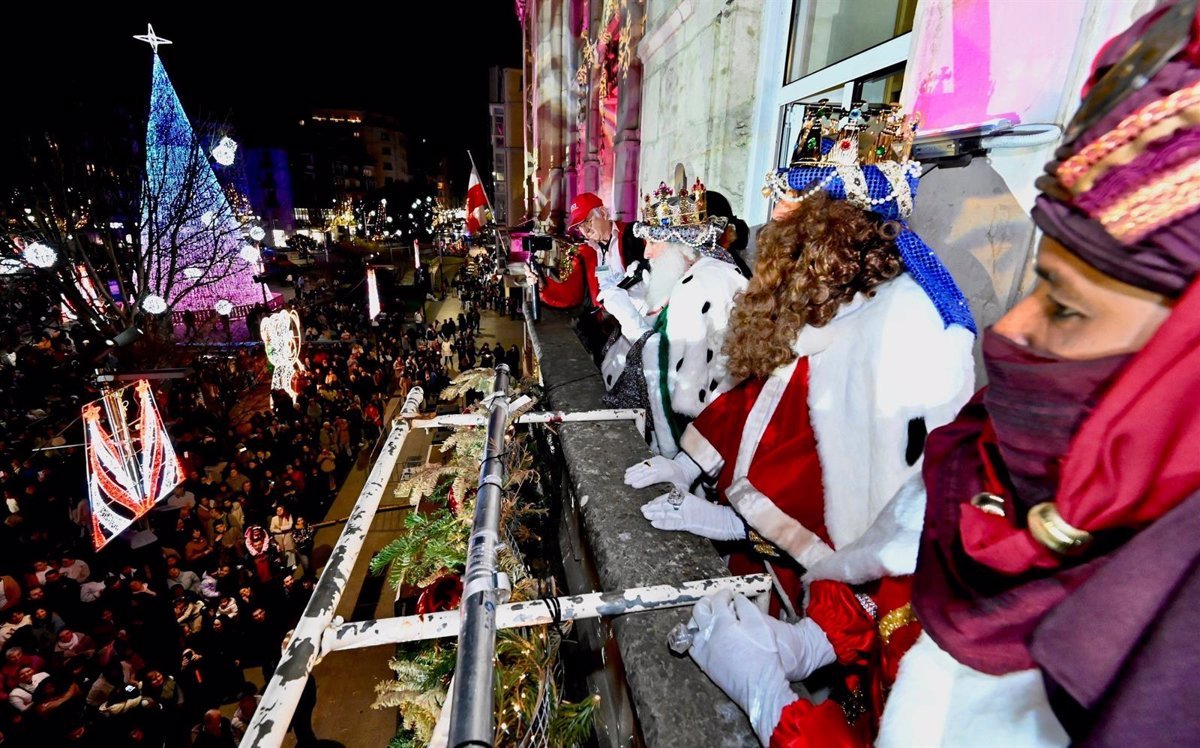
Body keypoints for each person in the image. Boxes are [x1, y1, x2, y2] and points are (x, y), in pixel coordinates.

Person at [685, 7, 1200, 745]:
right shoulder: (1005, 464)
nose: (1010, 333)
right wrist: (815, 642)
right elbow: (901, 569)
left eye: (1063, 306)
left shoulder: (910, 333)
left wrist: (780, 709)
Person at [602, 169, 749, 457]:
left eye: (654, 243)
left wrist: (632, 323)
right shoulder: (694, 277)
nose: (646, 254)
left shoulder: (702, 285)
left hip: (695, 449)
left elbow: (676, 378)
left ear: (681, 247)